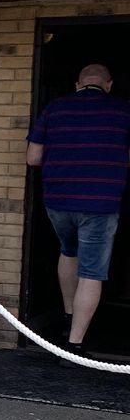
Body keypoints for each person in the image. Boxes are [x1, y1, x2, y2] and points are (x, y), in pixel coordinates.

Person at [26, 63, 130, 353]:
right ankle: (74, 345)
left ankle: (68, 315)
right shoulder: (123, 111)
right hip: (101, 203)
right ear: (108, 84)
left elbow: (33, 157)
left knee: (68, 251)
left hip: (58, 201)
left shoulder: (55, 109)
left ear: (78, 84)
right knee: (92, 272)